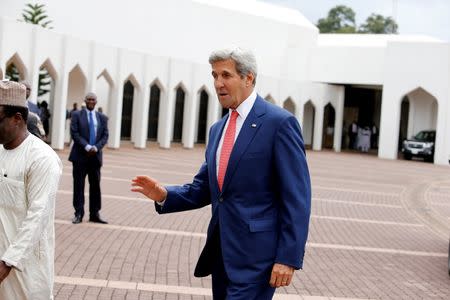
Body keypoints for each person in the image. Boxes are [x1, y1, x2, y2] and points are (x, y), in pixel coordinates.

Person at [131, 47, 311, 299]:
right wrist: (164, 194)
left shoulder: (279, 123)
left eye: (226, 75)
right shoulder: (218, 129)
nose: (218, 83)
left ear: (248, 78)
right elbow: (204, 187)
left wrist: (288, 257)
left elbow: (297, 197)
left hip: (258, 260)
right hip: (222, 256)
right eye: (214, 76)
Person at [0, 80, 62, 299]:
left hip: (25, 267)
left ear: (17, 118)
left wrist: (8, 262)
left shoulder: (42, 159)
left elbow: (38, 216)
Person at [69, 92, 109, 224]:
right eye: (89, 99)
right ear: (85, 101)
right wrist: (86, 146)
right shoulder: (76, 115)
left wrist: (96, 148)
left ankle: (94, 214)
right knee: (78, 186)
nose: (91, 101)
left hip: (95, 157)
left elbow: (105, 135)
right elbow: (74, 133)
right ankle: (78, 213)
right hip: (80, 156)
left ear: (96, 102)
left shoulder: (102, 117)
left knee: (95, 186)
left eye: (93, 99)